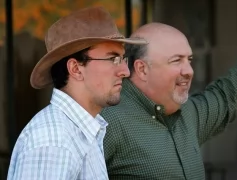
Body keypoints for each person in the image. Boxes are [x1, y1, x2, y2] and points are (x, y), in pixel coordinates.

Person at [100, 22, 237, 179]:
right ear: (142, 69)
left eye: (189, 60)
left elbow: (229, 95)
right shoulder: (107, 122)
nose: (189, 71)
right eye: (176, 61)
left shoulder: (187, 114)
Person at [7, 7, 146, 180]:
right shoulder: (53, 142)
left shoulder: (81, 130)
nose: (125, 71)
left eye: (123, 59)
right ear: (75, 69)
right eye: (113, 59)